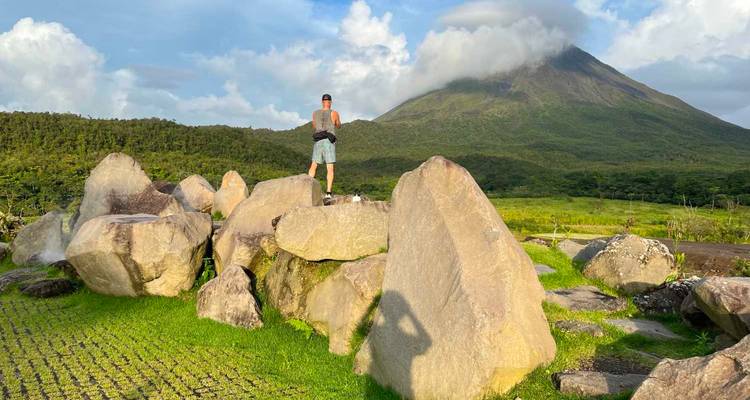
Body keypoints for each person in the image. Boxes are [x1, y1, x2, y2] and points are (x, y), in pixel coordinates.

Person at [308, 93, 341, 200]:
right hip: (328, 140)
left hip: (318, 140)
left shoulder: (315, 113)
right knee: (329, 167)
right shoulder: (334, 113)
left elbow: (314, 126)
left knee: (314, 165)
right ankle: (328, 192)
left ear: (322, 102)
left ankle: (307, 188)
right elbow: (338, 125)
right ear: (330, 102)